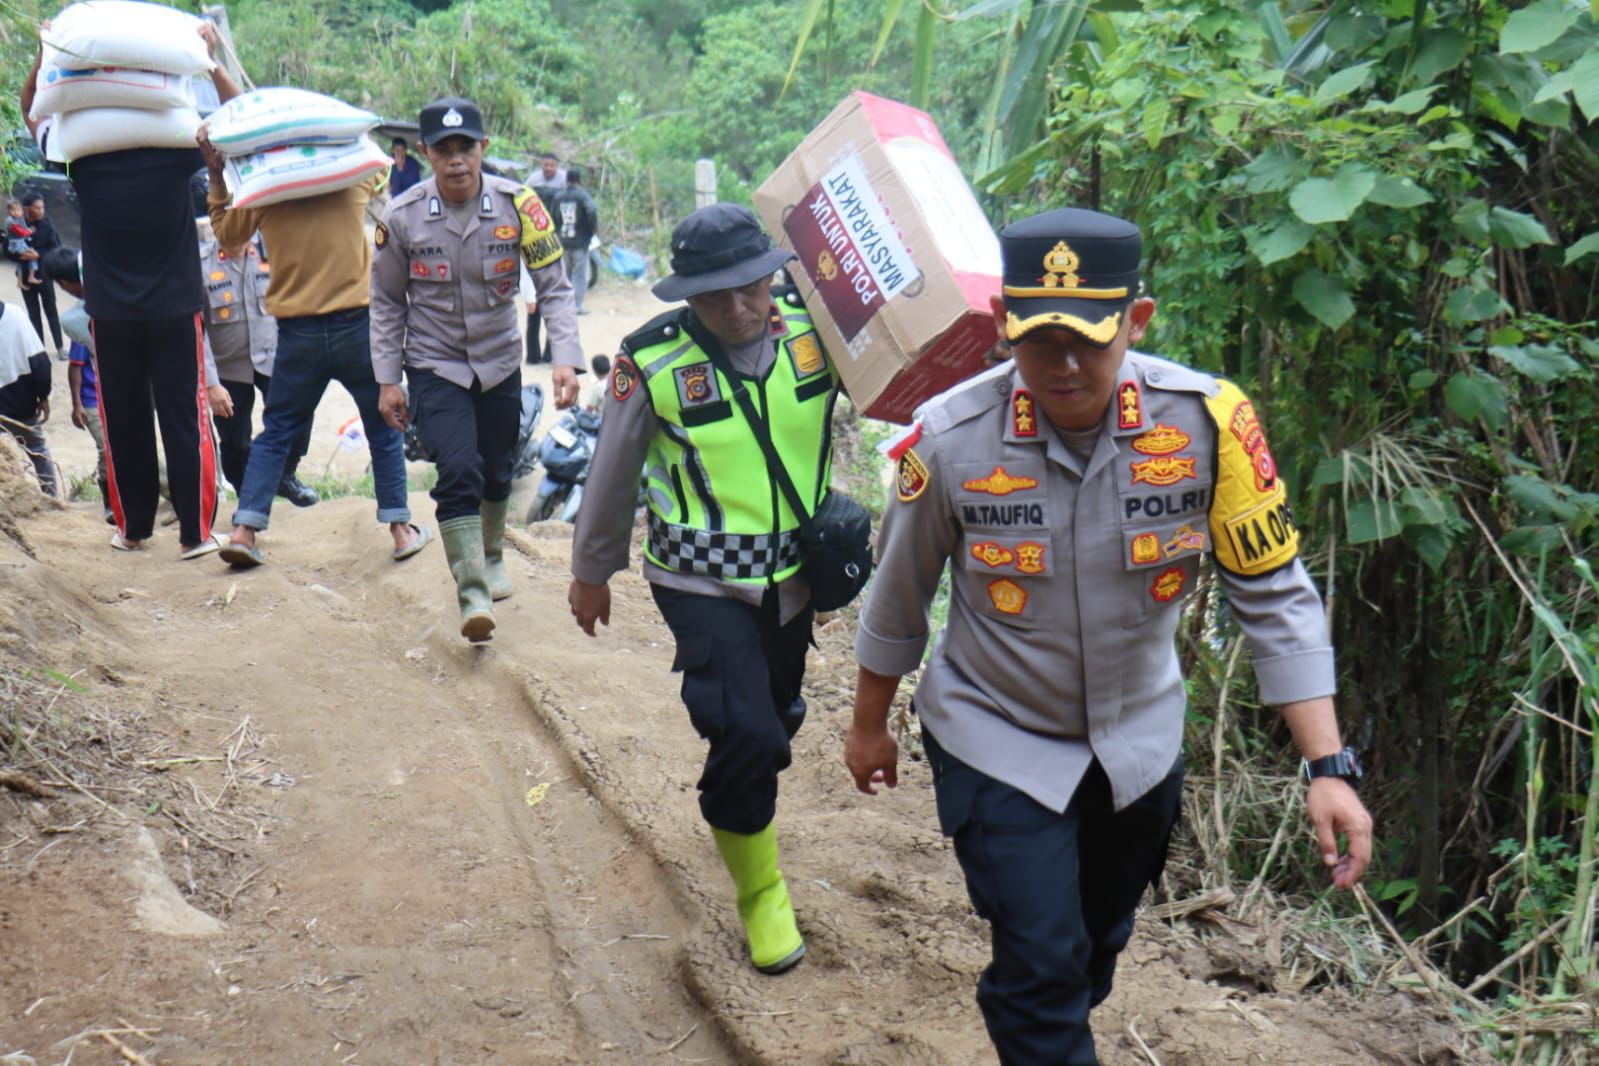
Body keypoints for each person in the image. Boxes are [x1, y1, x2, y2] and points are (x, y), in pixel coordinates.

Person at [845, 207, 1374, 1064]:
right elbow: (899, 598)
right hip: (996, 738)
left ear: (1136, 320)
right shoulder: (947, 439)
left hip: (1136, 745)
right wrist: (868, 723)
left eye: (1089, 340)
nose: (1061, 365)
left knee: (1092, 946)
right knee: (1040, 966)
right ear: (1003, 325)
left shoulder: (1206, 424)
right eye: (1036, 340)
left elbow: (1271, 592)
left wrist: (1326, 767)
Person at [568, 204, 842, 976]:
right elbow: (612, 473)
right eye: (712, 296)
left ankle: (751, 761)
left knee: (776, 715)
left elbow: (898, 379)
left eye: (749, 288)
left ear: (772, 276)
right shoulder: (649, 359)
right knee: (744, 733)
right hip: (698, 580)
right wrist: (591, 573)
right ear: (686, 297)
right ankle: (762, 896)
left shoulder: (814, 333)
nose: (735, 308)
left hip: (793, 579)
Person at [372, 96, 580, 642]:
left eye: (467, 147)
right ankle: (472, 593)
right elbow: (389, 301)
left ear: (484, 148)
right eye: (444, 149)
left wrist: (564, 358)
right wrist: (388, 379)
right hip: (435, 363)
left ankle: (490, 555)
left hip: (499, 361)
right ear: (425, 153)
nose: (457, 159)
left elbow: (555, 288)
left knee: (497, 467)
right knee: (458, 469)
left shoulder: (521, 205)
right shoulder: (402, 217)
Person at [198, 90, 430, 570]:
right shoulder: (353, 183)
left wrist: (218, 173)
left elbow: (226, 235)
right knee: (384, 426)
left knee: (277, 431)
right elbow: (378, 163)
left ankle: (245, 529)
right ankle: (401, 530)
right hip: (359, 329)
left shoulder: (266, 193)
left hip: (298, 336)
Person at [20, 28, 226, 558]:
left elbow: (34, 115)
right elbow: (236, 121)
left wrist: (48, 56)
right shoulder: (177, 151)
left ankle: (132, 529)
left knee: (124, 419)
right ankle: (195, 535)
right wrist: (211, 61)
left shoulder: (85, 160)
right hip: (176, 308)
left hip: (110, 313)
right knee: (185, 418)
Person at [197, 228, 317, 505]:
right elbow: (195, 329)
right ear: (216, 223)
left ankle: (286, 475)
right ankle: (246, 497)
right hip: (227, 369)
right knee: (235, 440)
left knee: (300, 413)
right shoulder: (200, 265)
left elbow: (297, 303)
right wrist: (211, 383)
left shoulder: (274, 252)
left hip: (274, 359)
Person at [0, 300, 57, 496]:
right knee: (38, 450)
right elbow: (39, 362)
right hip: (19, 400)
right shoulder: (15, 315)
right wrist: (43, 396)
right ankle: (52, 498)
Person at [548, 166, 598, 313]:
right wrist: (592, 229)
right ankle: (576, 306)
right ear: (579, 181)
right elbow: (592, 211)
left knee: (565, 275)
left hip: (562, 241)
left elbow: (552, 217)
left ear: (567, 180)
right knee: (579, 276)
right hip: (580, 242)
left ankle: (565, 305)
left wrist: (556, 231)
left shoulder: (558, 197)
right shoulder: (583, 196)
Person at [6, 200, 40, 284]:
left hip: (17, 243)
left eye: (18, 210)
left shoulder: (18, 218)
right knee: (33, 256)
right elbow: (20, 232)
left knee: (20, 262)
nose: (16, 213)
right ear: (8, 211)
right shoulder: (11, 221)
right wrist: (30, 231)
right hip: (17, 244)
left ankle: (20, 281)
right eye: (13, 210)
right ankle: (31, 276)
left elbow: (23, 224)